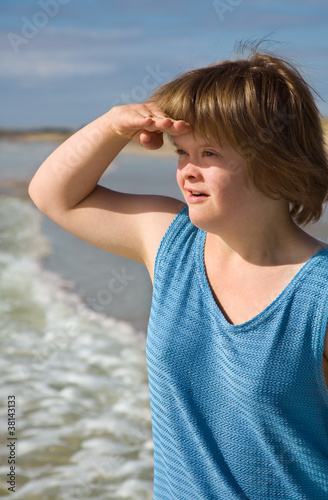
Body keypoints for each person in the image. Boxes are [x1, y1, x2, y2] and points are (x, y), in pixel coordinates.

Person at [29, 49, 328, 499]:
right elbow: (55, 195)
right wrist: (115, 125)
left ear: (275, 162)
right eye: (182, 152)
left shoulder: (318, 297)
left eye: (209, 153)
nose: (187, 171)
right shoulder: (172, 245)